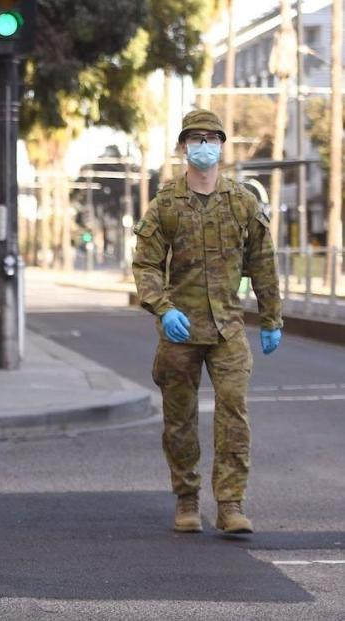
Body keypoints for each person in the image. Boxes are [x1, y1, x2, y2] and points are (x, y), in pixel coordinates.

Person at [132, 109, 282, 535]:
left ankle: (231, 504)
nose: (203, 146)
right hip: (180, 330)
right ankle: (187, 499)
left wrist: (271, 318)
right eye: (195, 139)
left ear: (221, 145)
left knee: (234, 414)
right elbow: (144, 265)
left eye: (211, 138)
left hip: (228, 329)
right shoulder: (166, 204)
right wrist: (163, 308)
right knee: (179, 420)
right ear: (183, 147)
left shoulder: (242, 202)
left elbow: (263, 263)